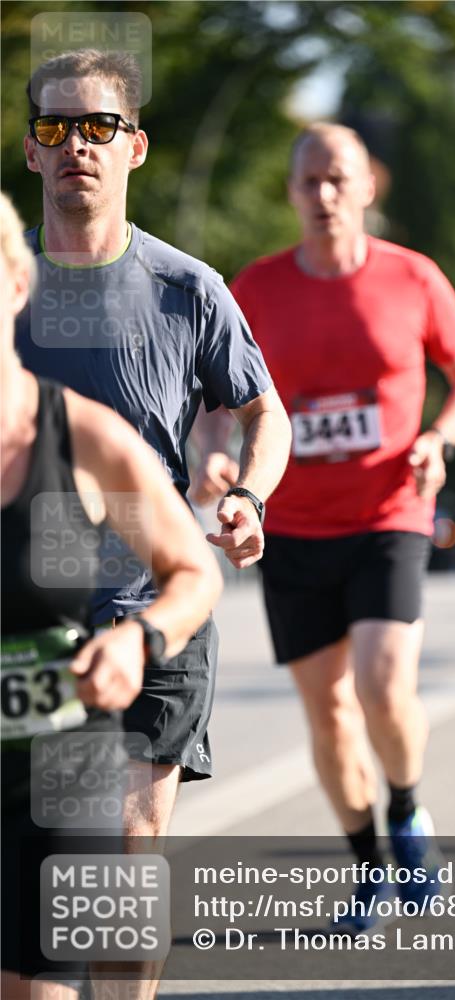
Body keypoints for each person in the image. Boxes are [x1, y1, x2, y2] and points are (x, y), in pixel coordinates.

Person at [15, 49, 292, 847]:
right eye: (55, 126)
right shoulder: (8, 288)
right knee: (44, 867)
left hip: (153, 604)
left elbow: (263, 413)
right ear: (32, 149)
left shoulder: (189, 289)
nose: (77, 144)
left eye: (100, 125)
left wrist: (246, 496)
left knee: (126, 863)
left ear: (135, 145)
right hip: (27, 616)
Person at [226, 122, 455, 930]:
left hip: (392, 510)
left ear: (367, 186)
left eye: (338, 179)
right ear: (290, 191)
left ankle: (409, 813)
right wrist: (224, 467)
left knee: (382, 685)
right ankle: (367, 867)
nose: (324, 195)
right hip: (297, 529)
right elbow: (221, 401)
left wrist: (438, 437)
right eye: (308, 181)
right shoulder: (257, 289)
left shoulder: (412, 277)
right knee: (329, 713)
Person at [1, 191, 222, 999]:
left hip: (61, 755)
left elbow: (193, 570)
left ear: (17, 286)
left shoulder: (81, 435)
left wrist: (139, 639)